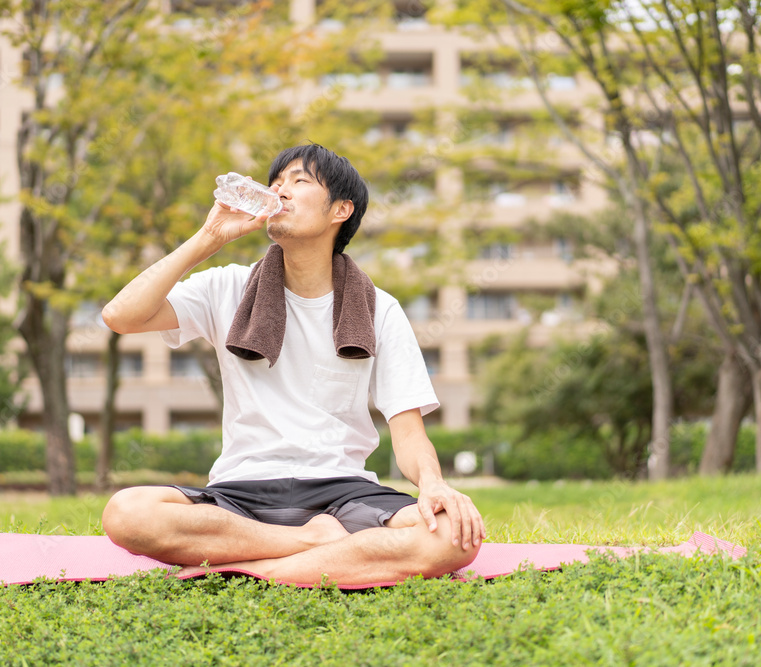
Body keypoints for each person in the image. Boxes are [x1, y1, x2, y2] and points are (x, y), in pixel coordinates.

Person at [101, 144, 485, 585]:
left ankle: (254, 570)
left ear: (341, 209)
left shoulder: (378, 309)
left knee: (454, 537)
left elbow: (408, 432)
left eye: (299, 181)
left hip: (344, 490)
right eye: (276, 183)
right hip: (242, 492)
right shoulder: (228, 286)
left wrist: (433, 484)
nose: (280, 191)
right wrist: (209, 237)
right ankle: (314, 548)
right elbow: (120, 316)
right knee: (128, 513)